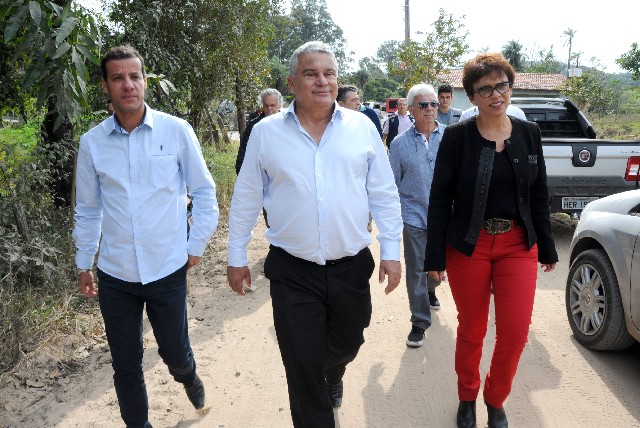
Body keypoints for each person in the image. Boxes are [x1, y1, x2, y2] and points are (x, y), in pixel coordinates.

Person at [227, 41, 403, 428]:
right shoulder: (266, 133)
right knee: (301, 365)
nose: (322, 81)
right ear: (292, 83)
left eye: (329, 73)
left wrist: (391, 251)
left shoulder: (362, 128)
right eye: (311, 73)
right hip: (292, 270)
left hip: (350, 265)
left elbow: (384, 194)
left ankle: (333, 372)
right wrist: (236, 256)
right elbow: (246, 197)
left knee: (348, 343)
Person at [73, 45, 219, 428]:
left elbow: (204, 192)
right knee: (125, 364)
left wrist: (195, 245)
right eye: (118, 78)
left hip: (167, 269)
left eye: (134, 76)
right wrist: (84, 262)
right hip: (116, 274)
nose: (128, 85)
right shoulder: (92, 143)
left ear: (144, 81)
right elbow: (88, 209)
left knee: (175, 354)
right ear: (106, 85)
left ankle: (188, 375)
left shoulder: (176, 131)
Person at [425, 52, 558, 428]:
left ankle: (495, 399)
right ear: (472, 96)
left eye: (502, 85)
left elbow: (539, 193)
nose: (496, 94)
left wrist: (547, 246)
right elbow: (440, 198)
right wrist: (434, 256)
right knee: (472, 329)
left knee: (515, 333)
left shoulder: (529, 133)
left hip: (518, 244)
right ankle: (467, 396)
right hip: (469, 245)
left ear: (510, 88)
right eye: (485, 89)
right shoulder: (456, 137)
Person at [388, 84, 445, 348]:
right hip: (414, 216)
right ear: (411, 109)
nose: (430, 109)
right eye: (423, 105)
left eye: (434, 104)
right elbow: (392, 184)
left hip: (446, 217)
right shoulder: (399, 144)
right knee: (417, 271)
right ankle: (419, 322)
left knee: (438, 269)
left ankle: (431, 290)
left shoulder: (450, 138)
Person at [235, 88, 283, 174]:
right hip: (261, 175)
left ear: (279, 104)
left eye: (272, 105)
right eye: (266, 105)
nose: (269, 108)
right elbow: (244, 153)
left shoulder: (288, 123)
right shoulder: (254, 126)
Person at [459, 103, 527, 121]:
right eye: (486, 89)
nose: (496, 94)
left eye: (501, 86)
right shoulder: (467, 115)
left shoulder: (517, 112)